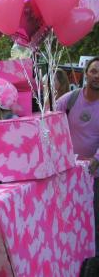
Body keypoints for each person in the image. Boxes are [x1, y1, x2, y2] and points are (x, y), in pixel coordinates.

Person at [56, 57, 99, 255]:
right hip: (69, 174)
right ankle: (72, 255)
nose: (97, 76)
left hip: (94, 176)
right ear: (86, 73)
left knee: (93, 221)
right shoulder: (70, 99)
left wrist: (95, 159)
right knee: (70, 220)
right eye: (94, 71)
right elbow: (48, 118)